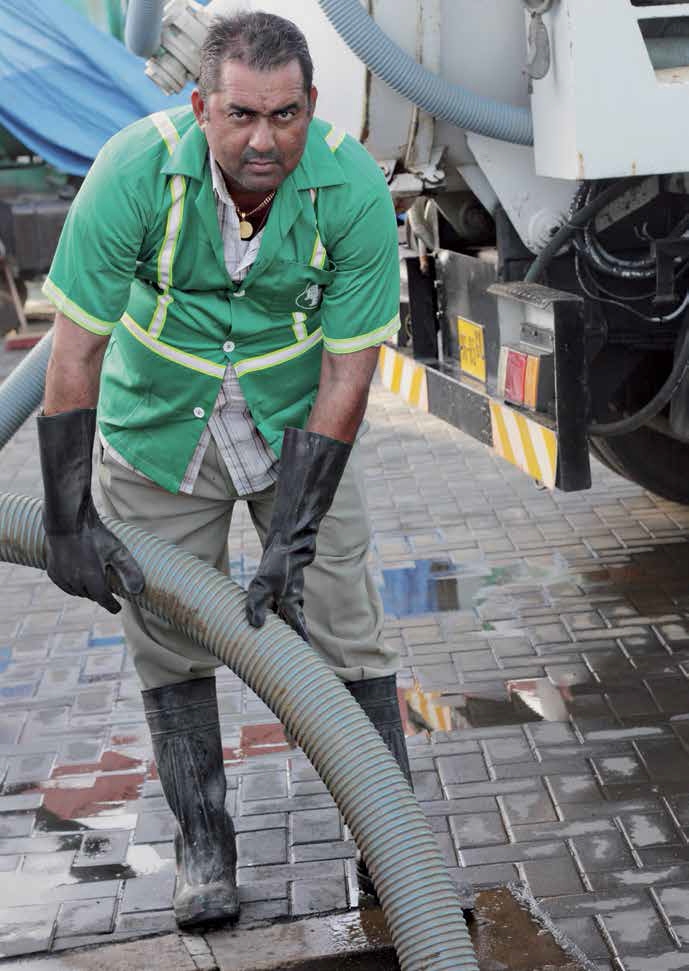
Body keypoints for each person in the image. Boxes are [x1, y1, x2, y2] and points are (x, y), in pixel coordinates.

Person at [38, 11, 412, 929]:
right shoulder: (132, 173)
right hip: (161, 435)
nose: (263, 140)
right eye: (241, 115)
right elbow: (74, 355)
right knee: (167, 639)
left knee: (346, 630)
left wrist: (294, 529)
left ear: (312, 107)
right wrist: (64, 518)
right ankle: (206, 851)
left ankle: (392, 852)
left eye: (285, 116)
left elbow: (348, 368)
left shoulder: (350, 185)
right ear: (200, 105)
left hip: (294, 431)